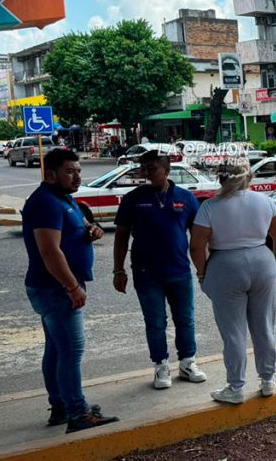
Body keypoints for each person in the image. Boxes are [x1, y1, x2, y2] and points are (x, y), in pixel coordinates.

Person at [21, 149, 119, 433]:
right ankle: (77, 412)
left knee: (56, 349)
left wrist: (93, 230)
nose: (77, 176)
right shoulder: (45, 203)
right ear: (50, 174)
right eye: (69, 171)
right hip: (56, 289)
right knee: (71, 352)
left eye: (78, 170)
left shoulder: (63, 199)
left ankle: (61, 406)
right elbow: (49, 251)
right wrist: (72, 287)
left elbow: (83, 226)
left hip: (55, 288)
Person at [190, 160, 276, 404]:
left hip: (225, 266)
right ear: (249, 177)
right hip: (262, 263)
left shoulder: (210, 207)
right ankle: (267, 380)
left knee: (233, 332)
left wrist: (203, 273)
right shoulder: (265, 201)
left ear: (221, 178)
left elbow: (196, 246)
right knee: (264, 325)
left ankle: (235, 387)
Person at [113, 151, 207, 389]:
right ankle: (160, 365)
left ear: (166, 171)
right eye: (143, 168)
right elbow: (121, 236)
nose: (146, 173)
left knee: (185, 319)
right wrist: (118, 270)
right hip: (146, 273)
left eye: (152, 168)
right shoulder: (133, 198)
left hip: (179, 271)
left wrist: (204, 268)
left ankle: (187, 363)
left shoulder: (185, 198)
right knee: (155, 322)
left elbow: (199, 237)